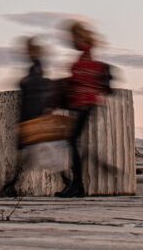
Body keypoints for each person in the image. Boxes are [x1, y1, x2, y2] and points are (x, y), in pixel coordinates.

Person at [55, 20, 109, 198]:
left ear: (79, 38)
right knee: (72, 143)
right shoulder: (86, 56)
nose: (71, 42)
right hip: (82, 103)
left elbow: (85, 80)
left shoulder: (86, 57)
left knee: (71, 142)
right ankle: (76, 184)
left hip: (83, 104)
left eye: (72, 38)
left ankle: (77, 185)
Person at [0, 36, 54, 197]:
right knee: (30, 155)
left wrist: (23, 82)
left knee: (31, 154)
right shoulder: (35, 68)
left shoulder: (37, 68)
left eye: (28, 50)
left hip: (32, 116)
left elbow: (36, 87)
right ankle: (12, 184)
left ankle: (12, 185)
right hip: (31, 115)